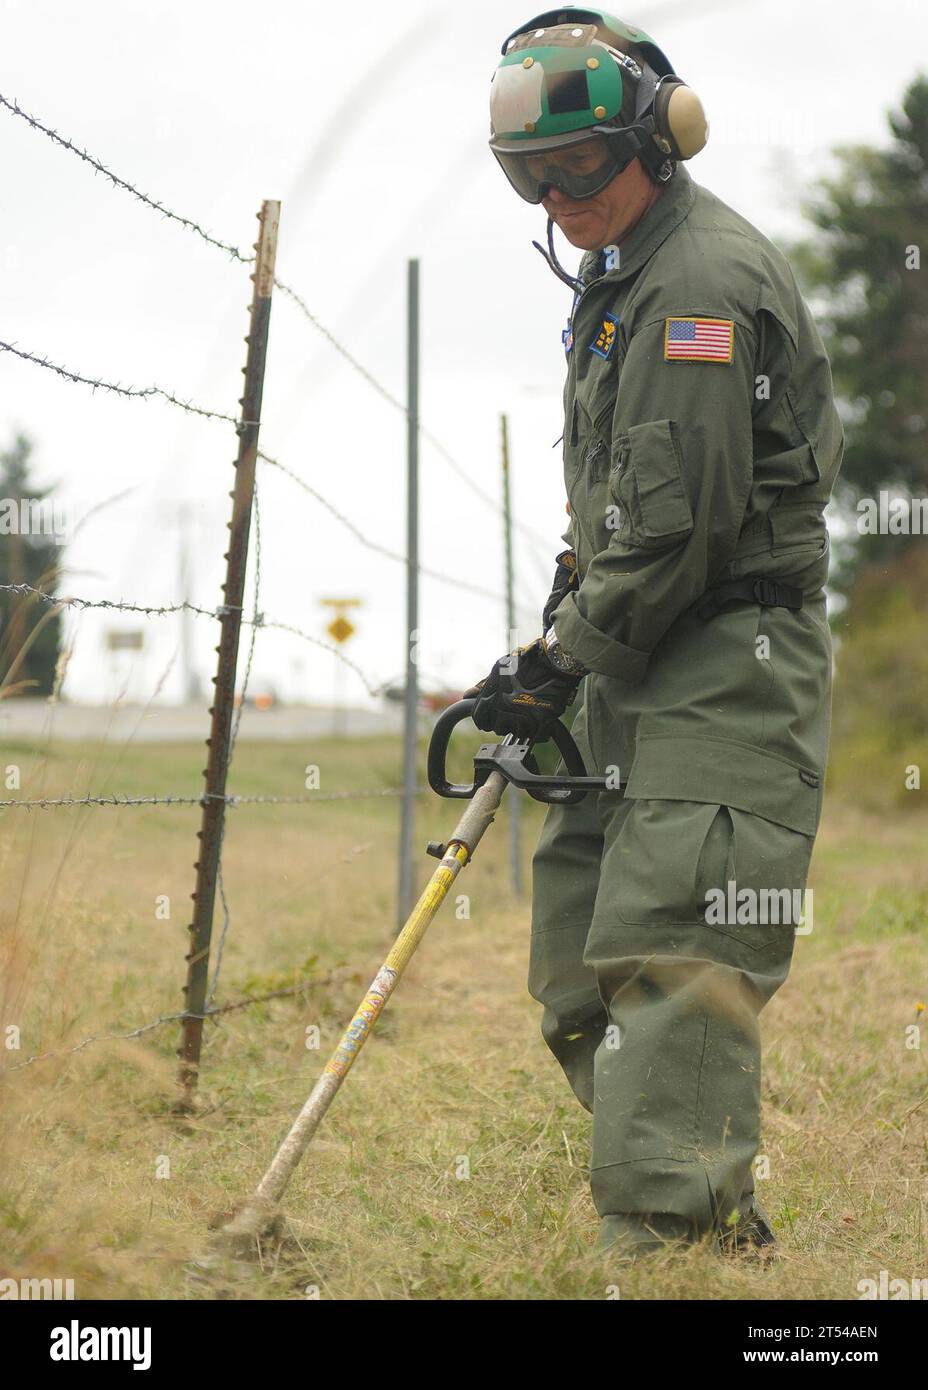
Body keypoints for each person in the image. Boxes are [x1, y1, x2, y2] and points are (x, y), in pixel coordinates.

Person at [467, 7, 844, 1257]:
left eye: (580, 163)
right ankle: (702, 1206)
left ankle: (674, 1247)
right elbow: (625, 510)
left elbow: (682, 533)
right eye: (532, 172)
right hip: (636, 656)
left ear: (660, 138)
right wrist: (553, 652)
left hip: (724, 663)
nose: (558, 194)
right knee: (580, 966)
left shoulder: (695, 286)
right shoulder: (621, 272)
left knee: (678, 954)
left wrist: (564, 656)